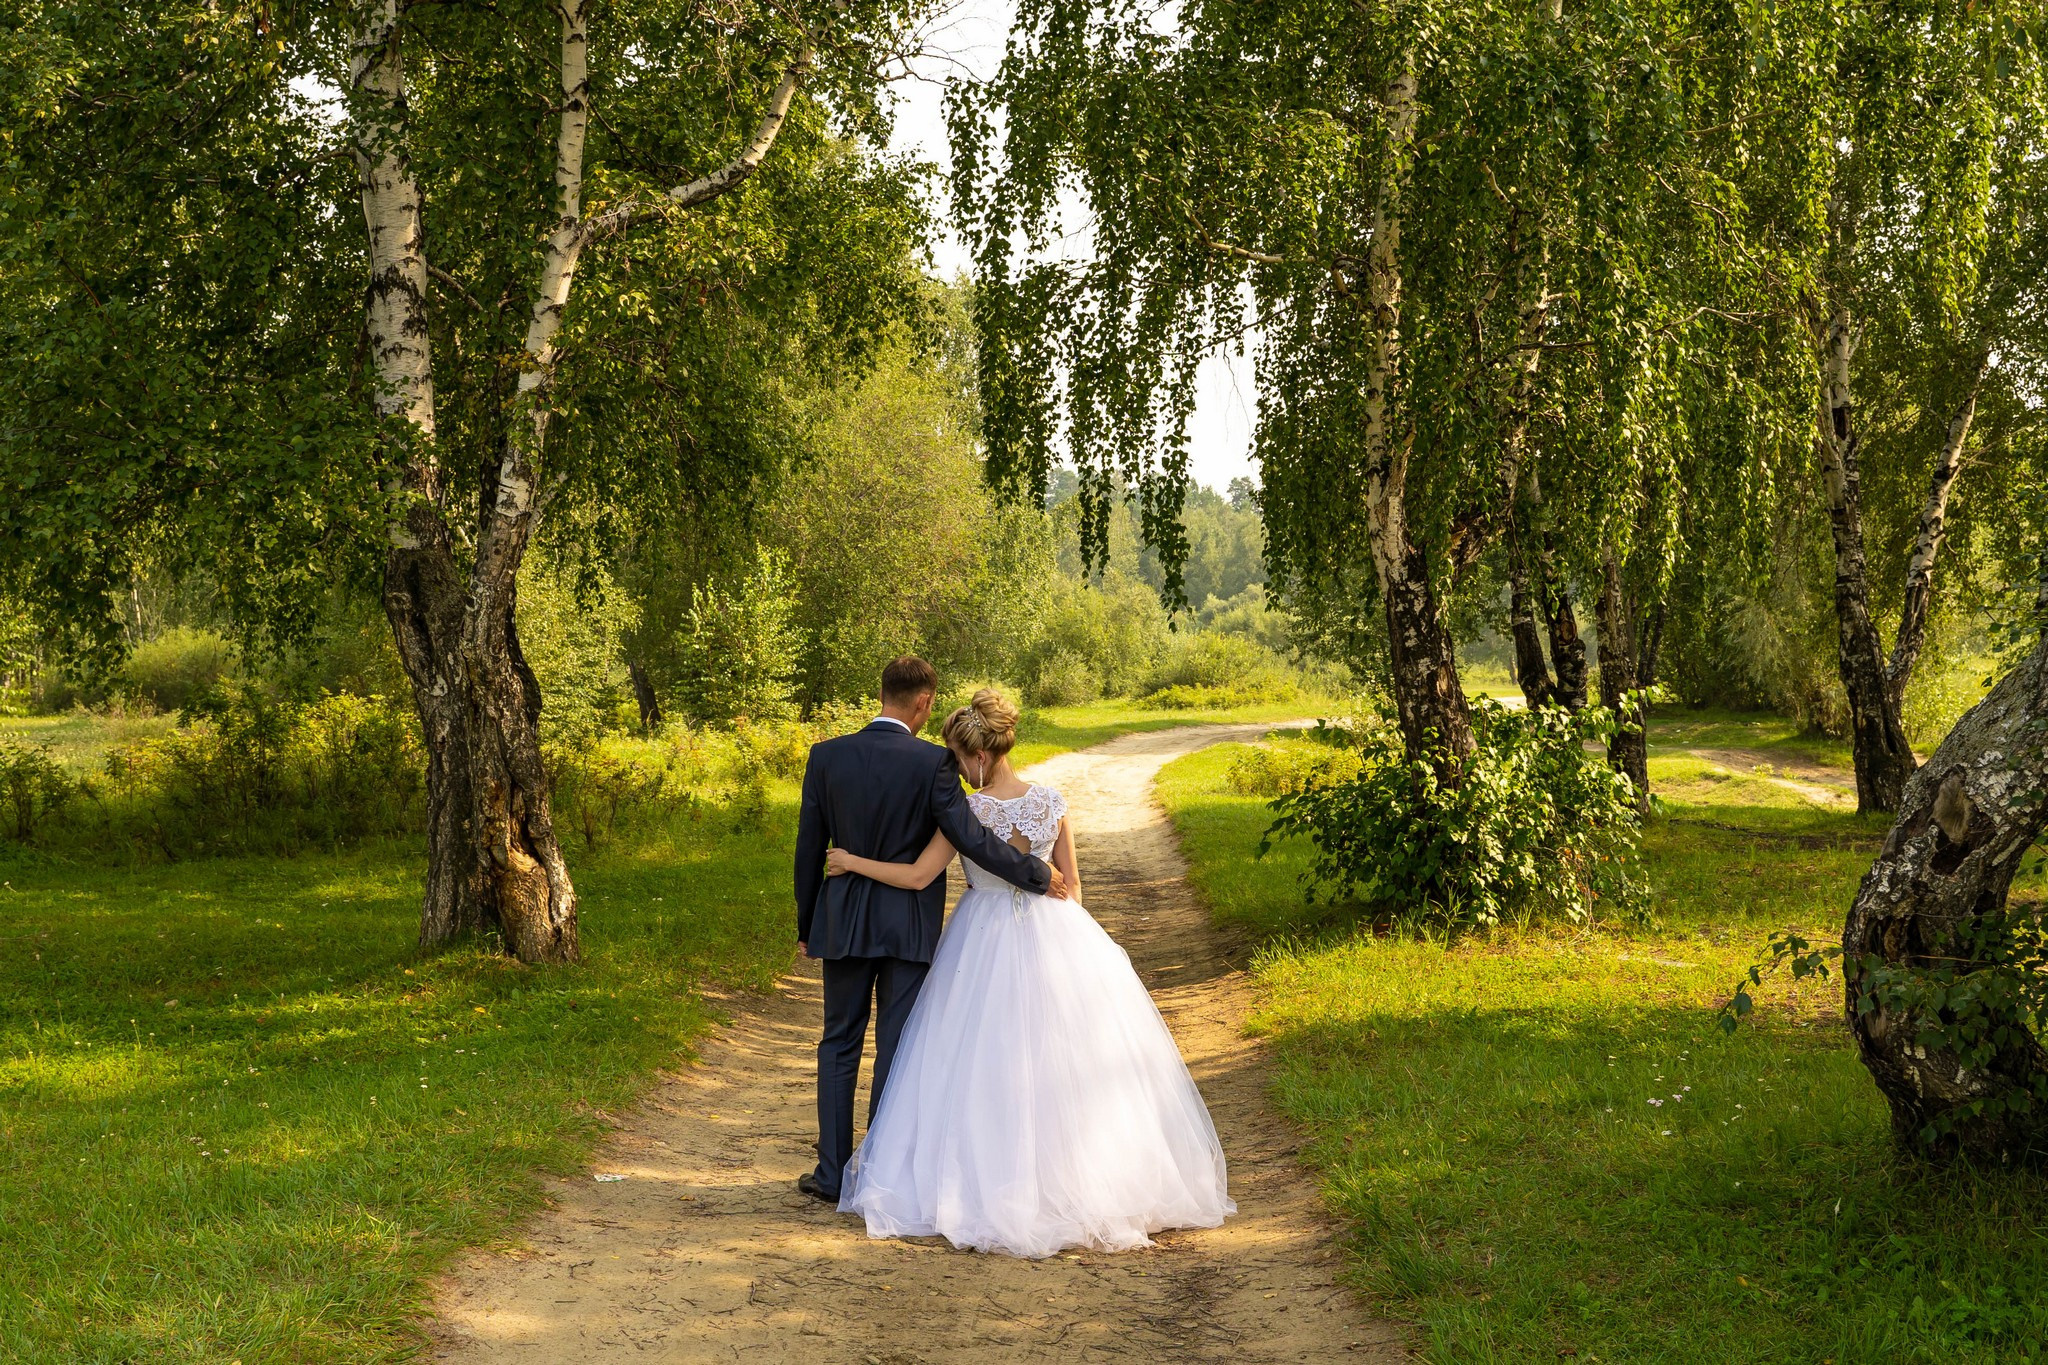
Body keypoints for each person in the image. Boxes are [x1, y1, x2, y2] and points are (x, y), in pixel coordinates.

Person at [822, 688, 1235, 1258]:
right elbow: (1073, 886)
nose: (955, 771)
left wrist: (851, 862)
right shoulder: (1051, 801)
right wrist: (1075, 951)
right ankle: (1082, 1179)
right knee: (1062, 1058)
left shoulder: (966, 813)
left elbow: (917, 877)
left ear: (979, 756)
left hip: (982, 937)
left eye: (957, 759)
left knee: (981, 1056)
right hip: (1056, 931)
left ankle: (991, 1176)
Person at [792, 657, 1067, 1205]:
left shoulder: (826, 756)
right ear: (922, 702)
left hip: (843, 923)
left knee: (838, 1042)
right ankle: (878, 1171)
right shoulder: (933, 763)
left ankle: (831, 1174)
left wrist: (808, 924)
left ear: (883, 693)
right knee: (896, 1045)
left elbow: (808, 849)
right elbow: (971, 836)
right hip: (907, 925)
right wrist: (1036, 874)